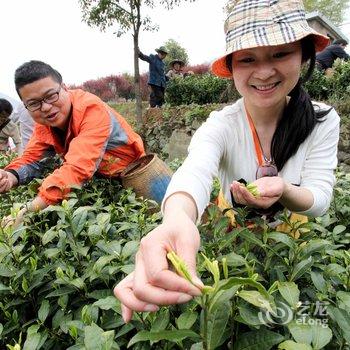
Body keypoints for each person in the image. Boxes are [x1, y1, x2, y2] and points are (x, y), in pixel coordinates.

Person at [114, 0, 340, 323]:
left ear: (304, 54)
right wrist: (176, 220)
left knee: (288, 318)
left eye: (280, 53)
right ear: (232, 66)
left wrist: (284, 189)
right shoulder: (221, 125)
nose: (264, 72)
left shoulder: (323, 120)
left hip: (291, 249)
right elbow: (196, 170)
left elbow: (319, 199)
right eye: (247, 58)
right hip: (234, 243)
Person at [0, 60, 145, 227]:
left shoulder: (91, 110)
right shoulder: (45, 123)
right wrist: (10, 176)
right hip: (99, 184)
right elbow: (33, 158)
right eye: (34, 103)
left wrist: (27, 211)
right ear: (26, 106)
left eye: (51, 96)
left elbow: (77, 168)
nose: (46, 107)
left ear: (64, 87)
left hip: (134, 180)